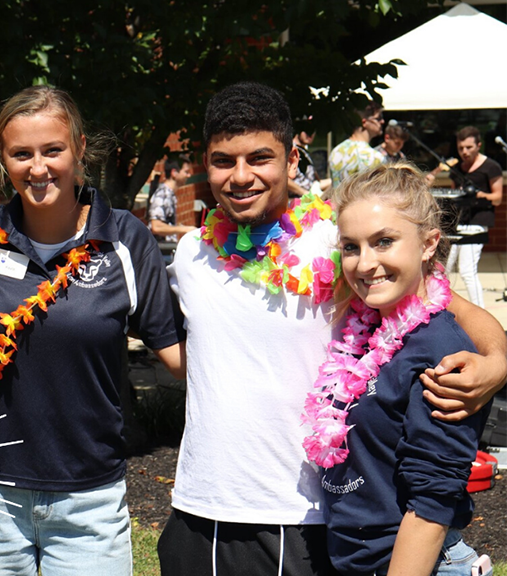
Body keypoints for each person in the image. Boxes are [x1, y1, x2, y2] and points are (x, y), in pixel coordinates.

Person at [159, 81, 507, 576]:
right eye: (222, 160)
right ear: (204, 163)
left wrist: (497, 361)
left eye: (260, 158)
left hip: (305, 515)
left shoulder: (341, 243)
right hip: (199, 509)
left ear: (292, 157)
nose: (241, 177)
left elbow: (452, 308)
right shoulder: (192, 254)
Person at [0, 85, 183, 576]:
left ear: (79, 147)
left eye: (52, 150)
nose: (38, 168)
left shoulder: (124, 240)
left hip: (89, 501)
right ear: (3, 159)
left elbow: (178, 357)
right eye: (21, 154)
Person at [306, 163, 490, 576]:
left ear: (429, 244)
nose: (364, 263)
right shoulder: (368, 327)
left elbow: (432, 503)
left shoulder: (441, 351)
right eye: (351, 247)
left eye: (384, 241)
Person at [445, 126, 503, 308]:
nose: (464, 152)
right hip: (458, 222)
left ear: (479, 145)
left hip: (478, 222)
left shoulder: (491, 167)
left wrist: (478, 195)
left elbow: (497, 198)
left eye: (469, 147)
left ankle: (480, 312)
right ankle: (441, 308)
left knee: (467, 271)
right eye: (461, 148)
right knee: (444, 269)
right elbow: (454, 196)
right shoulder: (457, 169)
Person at [329, 102, 386, 190]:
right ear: (364, 122)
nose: (382, 121)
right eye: (378, 118)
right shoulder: (375, 157)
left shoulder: (336, 151)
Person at [148, 156, 197, 241]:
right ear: (174, 173)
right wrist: (185, 229)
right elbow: (155, 227)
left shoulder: (169, 194)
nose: (189, 175)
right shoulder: (162, 194)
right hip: (161, 251)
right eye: (186, 172)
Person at [288, 116, 331, 197]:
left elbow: (314, 184)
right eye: (307, 130)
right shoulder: (290, 150)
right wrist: (304, 192)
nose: (310, 135)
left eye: (313, 131)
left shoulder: (305, 152)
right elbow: (283, 179)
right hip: (295, 200)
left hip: (310, 194)